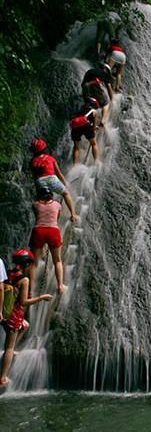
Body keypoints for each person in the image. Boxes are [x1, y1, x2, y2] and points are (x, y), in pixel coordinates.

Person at [0, 249, 53, 386]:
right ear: (27, 265)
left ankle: (11, 351)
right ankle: (3, 377)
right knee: (9, 347)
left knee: (26, 325)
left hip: (5, 311)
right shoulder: (24, 280)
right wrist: (41, 298)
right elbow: (24, 302)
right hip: (14, 314)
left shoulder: (7, 274)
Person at [28, 187, 64, 296]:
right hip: (53, 231)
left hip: (39, 231)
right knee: (57, 260)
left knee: (34, 263)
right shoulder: (58, 205)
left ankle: (30, 290)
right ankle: (60, 286)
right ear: (51, 195)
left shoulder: (35, 205)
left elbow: (37, 217)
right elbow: (56, 218)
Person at [30, 138, 77, 222]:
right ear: (44, 149)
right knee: (65, 194)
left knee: (45, 201)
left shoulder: (33, 161)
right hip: (52, 179)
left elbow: (35, 177)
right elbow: (58, 173)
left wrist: (38, 189)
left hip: (39, 182)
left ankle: (44, 219)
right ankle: (73, 214)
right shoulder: (50, 158)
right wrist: (65, 182)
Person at [81, 62, 113, 127]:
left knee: (90, 106)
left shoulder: (91, 70)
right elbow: (109, 89)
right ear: (106, 70)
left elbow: (83, 84)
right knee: (105, 104)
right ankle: (103, 120)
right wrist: (112, 99)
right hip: (93, 86)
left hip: (84, 87)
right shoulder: (104, 73)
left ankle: (90, 123)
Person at [70, 97, 100, 166]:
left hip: (76, 128)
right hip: (86, 127)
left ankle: (74, 165)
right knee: (94, 144)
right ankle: (96, 161)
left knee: (76, 148)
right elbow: (94, 127)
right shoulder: (94, 112)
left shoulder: (80, 109)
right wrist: (95, 129)